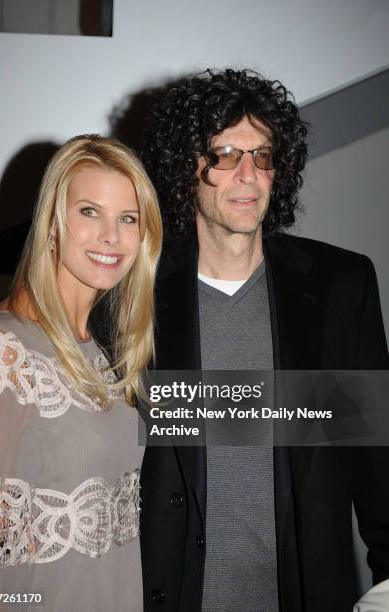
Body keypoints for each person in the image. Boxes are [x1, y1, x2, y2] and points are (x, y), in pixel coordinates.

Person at [138, 69, 389, 611]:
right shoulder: (133, 289)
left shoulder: (341, 287)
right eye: (225, 155)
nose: (248, 175)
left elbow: (375, 462)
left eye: (264, 155)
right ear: (188, 167)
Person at [0, 134, 162, 611]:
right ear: (53, 223)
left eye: (128, 219)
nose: (111, 236)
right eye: (90, 212)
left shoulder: (102, 357)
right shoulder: (1, 352)